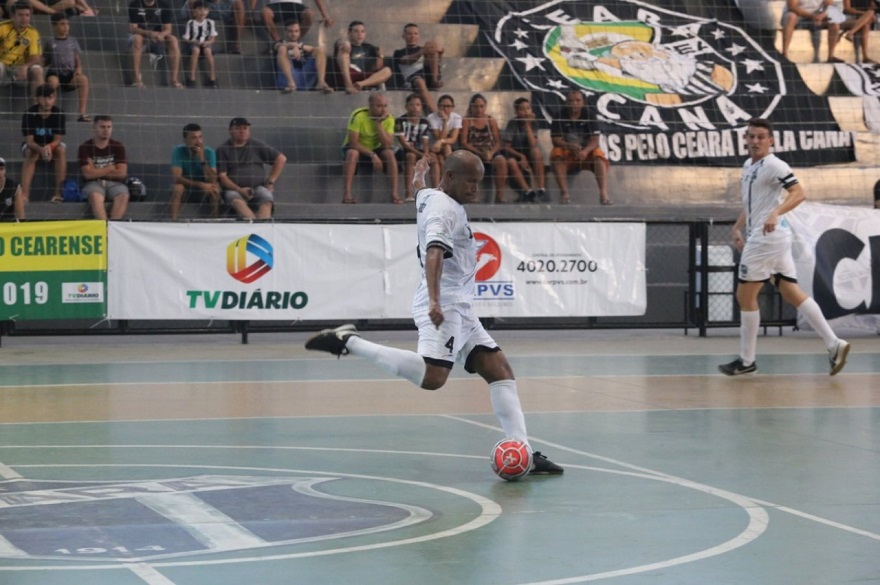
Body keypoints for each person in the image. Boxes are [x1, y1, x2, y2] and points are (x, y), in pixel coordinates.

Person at [305, 151, 564, 478]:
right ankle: (349, 341)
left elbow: (417, 189)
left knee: (499, 370)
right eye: (470, 181)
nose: (475, 188)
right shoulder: (443, 211)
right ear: (451, 177)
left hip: (461, 306)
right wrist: (435, 301)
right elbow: (434, 253)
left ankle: (523, 451)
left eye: (479, 182)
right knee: (433, 377)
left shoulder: (430, 196)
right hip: (446, 304)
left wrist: (418, 173)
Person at [719, 118, 850, 377]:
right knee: (791, 291)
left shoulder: (775, 165)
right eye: (751, 136)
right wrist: (737, 227)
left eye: (760, 137)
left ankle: (747, 361)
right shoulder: (748, 165)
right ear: (746, 139)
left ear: (771, 141)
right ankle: (834, 343)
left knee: (745, 296)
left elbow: (799, 193)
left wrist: (775, 213)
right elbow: (753, 204)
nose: (755, 141)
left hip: (766, 238)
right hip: (772, 237)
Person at [216, 117, 286, 219]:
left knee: (266, 199)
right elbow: (223, 177)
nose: (242, 131)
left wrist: (271, 181)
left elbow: (281, 159)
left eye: (245, 128)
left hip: (257, 187)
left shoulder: (256, 145)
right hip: (233, 189)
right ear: (230, 130)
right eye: (238, 128)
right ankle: (253, 223)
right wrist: (239, 190)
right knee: (236, 201)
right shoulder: (223, 150)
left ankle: (262, 225)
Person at [550, 90, 611, 205]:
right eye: (571, 100)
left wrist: (586, 151)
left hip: (586, 153)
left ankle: (603, 194)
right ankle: (564, 194)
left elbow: (595, 139)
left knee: (598, 155)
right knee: (556, 154)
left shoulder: (590, 115)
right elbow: (555, 140)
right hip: (568, 151)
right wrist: (569, 146)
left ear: (583, 103)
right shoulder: (559, 115)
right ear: (566, 102)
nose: (574, 103)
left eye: (578, 100)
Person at [341, 92, 400, 204]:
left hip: (376, 148)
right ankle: (347, 194)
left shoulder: (389, 118)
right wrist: (373, 155)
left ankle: (394, 194)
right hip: (359, 147)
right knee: (352, 153)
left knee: (389, 154)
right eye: (379, 106)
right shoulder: (358, 115)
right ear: (370, 106)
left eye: (385, 106)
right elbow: (353, 142)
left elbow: (387, 144)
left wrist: (379, 124)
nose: (383, 110)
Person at [20, 83, 66, 204]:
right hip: (34, 144)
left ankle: (58, 193)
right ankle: (24, 194)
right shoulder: (29, 113)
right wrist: (41, 150)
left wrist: (50, 147)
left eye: (50, 97)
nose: (47, 102)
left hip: (51, 144)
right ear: (37, 99)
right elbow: (29, 141)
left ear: (54, 97)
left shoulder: (59, 113)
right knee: (31, 153)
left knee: (61, 151)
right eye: (44, 98)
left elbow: (58, 139)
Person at [78, 115, 130, 220]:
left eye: (109, 127)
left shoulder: (117, 146)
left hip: (115, 183)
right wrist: (110, 168)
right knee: (95, 197)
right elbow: (88, 174)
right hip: (93, 183)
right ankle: (104, 226)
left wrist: (95, 170)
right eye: (102, 127)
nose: (106, 130)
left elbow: (122, 173)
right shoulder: (85, 147)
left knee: (123, 196)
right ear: (94, 127)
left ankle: (113, 225)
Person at [460, 93, 507, 204]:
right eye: (476, 106)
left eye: (481, 106)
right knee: (472, 162)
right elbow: (464, 142)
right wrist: (479, 153)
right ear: (471, 106)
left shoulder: (490, 120)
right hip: (474, 151)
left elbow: (498, 142)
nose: (479, 109)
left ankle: (499, 195)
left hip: (490, 152)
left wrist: (491, 153)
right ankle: (473, 195)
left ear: (485, 106)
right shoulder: (467, 120)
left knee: (501, 161)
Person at [43, 12, 90, 122]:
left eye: (67, 24)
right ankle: (50, 111)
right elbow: (46, 60)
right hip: (55, 72)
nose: (66, 27)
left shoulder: (72, 41)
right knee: (53, 82)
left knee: (83, 80)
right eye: (62, 24)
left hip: (70, 74)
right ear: (54, 26)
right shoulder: (50, 42)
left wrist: (78, 69)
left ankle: (82, 113)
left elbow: (76, 58)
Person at [128, 0, 182, 88]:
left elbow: (168, 29)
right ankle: (136, 79)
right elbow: (133, 28)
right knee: (137, 38)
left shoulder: (164, 5)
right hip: (141, 36)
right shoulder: (134, 4)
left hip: (158, 38)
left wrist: (161, 34)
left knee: (173, 40)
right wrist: (149, 33)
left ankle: (174, 79)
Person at [169, 122, 219, 219]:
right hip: (186, 188)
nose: (198, 141)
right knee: (178, 188)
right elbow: (176, 178)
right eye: (193, 138)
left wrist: (202, 159)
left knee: (215, 189)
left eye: (200, 137)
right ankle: (173, 222)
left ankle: (214, 223)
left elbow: (213, 179)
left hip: (204, 189)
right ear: (185, 140)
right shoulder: (178, 151)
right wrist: (200, 184)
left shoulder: (209, 152)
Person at [503, 97, 547, 203]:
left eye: (528, 108)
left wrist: (527, 125)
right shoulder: (512, 123)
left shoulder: (534, 123)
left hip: (530, 154)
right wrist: (521, 156)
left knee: (536, 152)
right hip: (516, 154)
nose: (526, 112)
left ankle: (541, 189)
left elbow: (533, 145)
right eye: (522, 109)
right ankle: (528, 191)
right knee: (511, 162)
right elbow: (507, 147)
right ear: (516, 112)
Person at [392, 23, 443, 113]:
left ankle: (434, 81)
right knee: (420, 81)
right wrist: (421, 52)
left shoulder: (425, 50)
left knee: (432, 47)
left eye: (415, 34)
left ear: (419, 35)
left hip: (428, 75)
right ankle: (435, 112)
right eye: (409, 34)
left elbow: (436, 61)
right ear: (404, 36)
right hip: (413, 78)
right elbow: (407, 60)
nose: (413, 36)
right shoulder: (398, 52)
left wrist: (440, 52)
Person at [0, 2, 44, 101]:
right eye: (20, 15)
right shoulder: (2, 27)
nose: (24, 18)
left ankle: (37, 107)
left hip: (21, 71)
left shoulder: (33, 33)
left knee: (37, 70)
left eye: (27, 15)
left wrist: (25, 66)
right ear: (13, 16)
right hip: (3, 67)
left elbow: (36, 57)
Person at [333, 20, 391, 94]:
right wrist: (344, 43)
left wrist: (380, 56)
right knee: (345, 48)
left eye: (362, 31)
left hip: (365, 78)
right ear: (349, 33)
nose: (360, 34)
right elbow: (340, 43)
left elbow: (378, 68)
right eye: (356, 31)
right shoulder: (344, 45)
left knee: (387, 70)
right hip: (350, 74)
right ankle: (349, 85)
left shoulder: (370, 48)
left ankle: (360, 84)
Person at [274, 20, 332, 93]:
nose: (294, 34)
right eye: (290, 31)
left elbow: (314, 49)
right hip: (287, 78)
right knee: (282, 49)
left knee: (320, 50)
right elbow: (277, 46)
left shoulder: (302, 45)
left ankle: (321, 82)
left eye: (296, 31)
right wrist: (294, 46)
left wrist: (299, 46)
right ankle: (291, 83)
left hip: (304, 76)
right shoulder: (280, 43)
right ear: (285, 32)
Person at [394, 92, 431, 203]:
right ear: (406, 107)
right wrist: (421, 154)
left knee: (434, 159)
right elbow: (403, 144)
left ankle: (435, 193)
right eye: (411, 104)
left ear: (421, 107)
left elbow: (425, 142)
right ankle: (409, 193)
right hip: (401, 151)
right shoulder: (399, 121)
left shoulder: (424, 122)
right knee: (411, 156)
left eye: (418, 105)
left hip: (418, 150)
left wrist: (426, 154)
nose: (415, 107)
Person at [426, 94, 461, 187]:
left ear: (453, 107)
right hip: (433, 146)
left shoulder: (456, 117)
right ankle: (438, 187)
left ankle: (448, 184)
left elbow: (453, 139)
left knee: (446, 152)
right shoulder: (431, 117)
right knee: (438, 159)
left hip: (446, 146)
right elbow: (438, 137)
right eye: (443, 106)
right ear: (438, 106)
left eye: (448, 106)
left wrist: (441, 141)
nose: (446, 109)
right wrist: (445, 122)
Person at [260, 0, 331, 45]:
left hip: (296, 5)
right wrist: (253, 11)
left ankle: (296, 43)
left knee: (309, 14)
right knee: (265, 13)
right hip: (275, 4)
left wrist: (325, 16)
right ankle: (279, 43)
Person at [182, 0, 218, 88]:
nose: (202, 11)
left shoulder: (210, 22)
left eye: (205, 9)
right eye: (200, 9)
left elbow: (213, 37)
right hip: (195, 43)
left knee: (208, 51)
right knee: (195, 50)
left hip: (206, 43)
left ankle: (213, 78)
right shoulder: (190, 23)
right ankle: (192, 78)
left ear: (208, 11)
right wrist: (193, 42)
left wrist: (208, 42)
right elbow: (186, 38)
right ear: (194, 11)